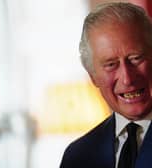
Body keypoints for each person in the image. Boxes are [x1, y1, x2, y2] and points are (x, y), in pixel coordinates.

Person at [60, 2, 152, 168]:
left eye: (135, 58)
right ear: (93, 76)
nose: (127, 79)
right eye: (111, 65)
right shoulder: (77, 156)